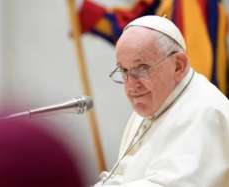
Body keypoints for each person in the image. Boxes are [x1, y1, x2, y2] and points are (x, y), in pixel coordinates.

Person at [95, 15, 229, 187]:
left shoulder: (207, 113)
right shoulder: (154, 103)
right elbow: (125, 175)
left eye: (142, 68)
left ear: (178, 66)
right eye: (123, 70)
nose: (130, 86)